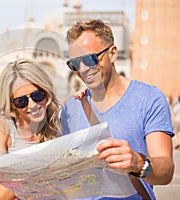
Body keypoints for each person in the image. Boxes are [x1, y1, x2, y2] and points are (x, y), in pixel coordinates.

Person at [60, 19, 174, 200]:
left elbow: (166, 170)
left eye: (90, 59)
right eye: (75, 64)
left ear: (112, 53)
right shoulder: (71, 108)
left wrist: (138, 163)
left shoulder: (149, 99)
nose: (83, 69)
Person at [0, 58, 61, 200]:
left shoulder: (56, 124)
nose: (32, 105)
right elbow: (0, 195)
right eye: (21, 101)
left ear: (47, 93)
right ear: (12, 104)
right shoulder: (0, 129)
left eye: (38, 96)